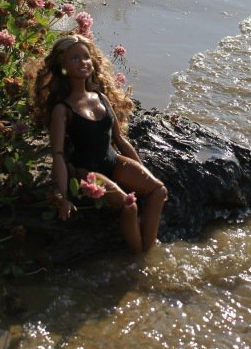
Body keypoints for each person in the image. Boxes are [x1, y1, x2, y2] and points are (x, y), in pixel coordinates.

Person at [29, 34, 168, 252]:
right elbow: (58, 154)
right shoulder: (62, 109)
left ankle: (147, 250)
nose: (83, 62)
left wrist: (140, 171)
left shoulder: (100, 98)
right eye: (74, 58)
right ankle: (139, 256)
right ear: (62, 66)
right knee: (129, 205)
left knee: (158, 191)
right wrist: (63, 197)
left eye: (86, 57)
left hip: (112, 161)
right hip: (87, 172)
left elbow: (119, 139)